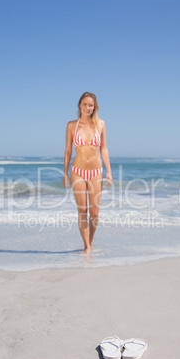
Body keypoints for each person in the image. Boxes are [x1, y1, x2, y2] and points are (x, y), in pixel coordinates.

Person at [63, 92, 112, 254]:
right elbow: (68, 150)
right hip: (77, 170)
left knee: (95, 212)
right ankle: (87, 247)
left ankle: (89, 242)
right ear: (79, 105)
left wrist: (108, 171)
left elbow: (103, 148)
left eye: (90, 105)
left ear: (94, 107)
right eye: (84, 104)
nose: (87, 107)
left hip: (96, 171)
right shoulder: (72, 125)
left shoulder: (101, 124)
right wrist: (64, 172)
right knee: (82, 210)